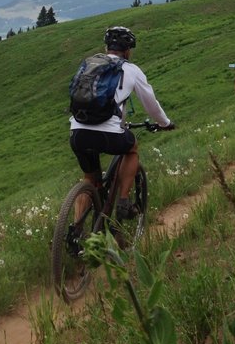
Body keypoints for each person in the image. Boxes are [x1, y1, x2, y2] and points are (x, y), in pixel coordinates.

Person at [69, 26, 174, 220]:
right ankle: (123, 202)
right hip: (109, 134)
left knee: (90, 179)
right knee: (131, 148)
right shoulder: (131, 70)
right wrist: (165, 123)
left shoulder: (89, 64)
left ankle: (75, 231)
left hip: (77, 132)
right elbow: (151, 105)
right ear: (127, 50)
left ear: (107, 47)